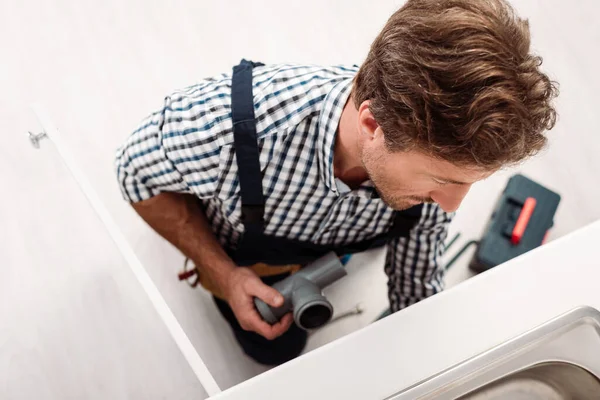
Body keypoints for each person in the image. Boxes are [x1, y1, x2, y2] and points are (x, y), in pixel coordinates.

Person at [115, 0, 558, 365]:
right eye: (441, 181)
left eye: (468, 184)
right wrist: (225, 275)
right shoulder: (225, 129)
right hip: (246, 253)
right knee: (275, 347)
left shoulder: (428, 176)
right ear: (372, 123)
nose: (450, 207)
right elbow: (135, 177)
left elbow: (416, 290)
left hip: (328, 237)